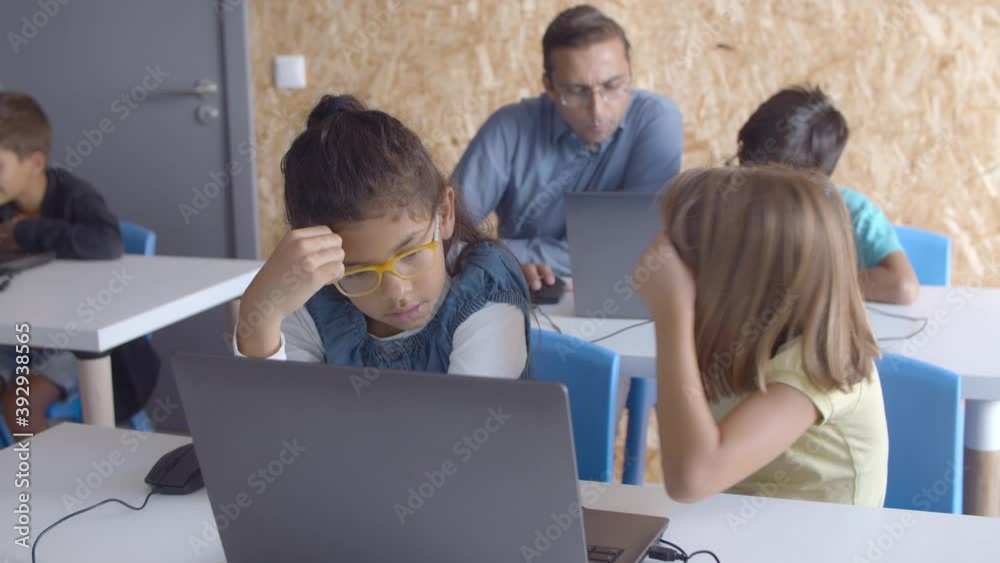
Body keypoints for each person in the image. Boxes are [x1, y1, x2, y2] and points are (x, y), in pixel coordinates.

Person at [636, 166, 888, 506]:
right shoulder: (739, 338)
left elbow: (692, 479)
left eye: (684, 252)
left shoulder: (821, 365)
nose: (669, 262)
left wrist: (671, 313)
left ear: (743, 277)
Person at [234, 95, 531, 379]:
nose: (397, 292)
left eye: (411, 254)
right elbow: (278, 425)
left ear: (444, 213)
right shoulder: (312, 290)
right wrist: (260, 317)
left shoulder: (484, 291)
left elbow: (463, 428)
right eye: (359, 273)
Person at [452, 4, 683, 290]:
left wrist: (503, 254)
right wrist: (503, 262)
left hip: (624, 299)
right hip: (526, 298)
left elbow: (639, 246)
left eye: (613, 86)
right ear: (549, 86)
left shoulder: (657, 119)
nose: (598, 110)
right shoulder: (508, 127)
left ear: (630, 72)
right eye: (576, 91)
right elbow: (446, 236)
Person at [0, 92, 124, 435]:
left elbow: (107, 242)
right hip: (15, 337)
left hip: (72, 343)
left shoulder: (73, 196)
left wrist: (26, 231)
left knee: (19, 405)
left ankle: (36, 484)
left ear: (35, 163)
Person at [736, 85, 919, 304]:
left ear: (815, 183)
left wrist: (808, 287)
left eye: (769, 186)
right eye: (748, 171)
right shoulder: (737, 206)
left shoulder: (854, 214)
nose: (756, 193)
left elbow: (903, 286)